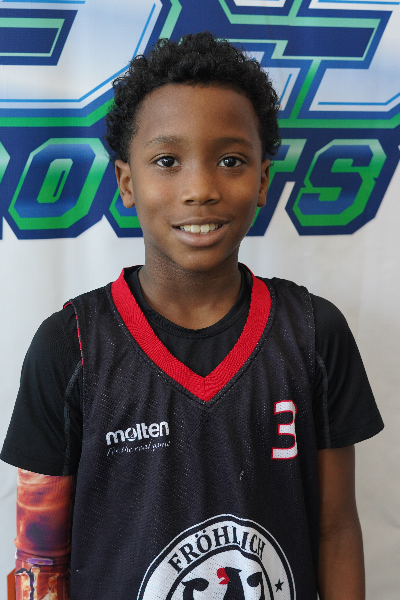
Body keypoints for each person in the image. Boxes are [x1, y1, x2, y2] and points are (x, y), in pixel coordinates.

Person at [1, 32, 383, 600]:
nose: (200, 189)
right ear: (127, 182)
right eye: (167, 161)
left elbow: (335, 530)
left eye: (230, 160)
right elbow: (40, 558)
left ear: (262, 180)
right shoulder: (70, 344)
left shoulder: (312, 333)